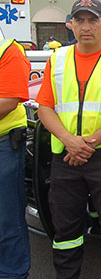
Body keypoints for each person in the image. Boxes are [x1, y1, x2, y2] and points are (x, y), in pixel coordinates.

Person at [36, 0, 101, 279]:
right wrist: (69, 141)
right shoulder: (57, 59)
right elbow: (45, 107)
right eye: (80, 20)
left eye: (93, 20)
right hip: (65, 157)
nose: (86, 27)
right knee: (66, 231)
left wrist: (88, 142)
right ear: (70, 24)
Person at [0, 39, 31, 279]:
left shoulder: (8, 51)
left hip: (3, 146)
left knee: (7, 218)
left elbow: (8, 101)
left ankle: (13, 274)